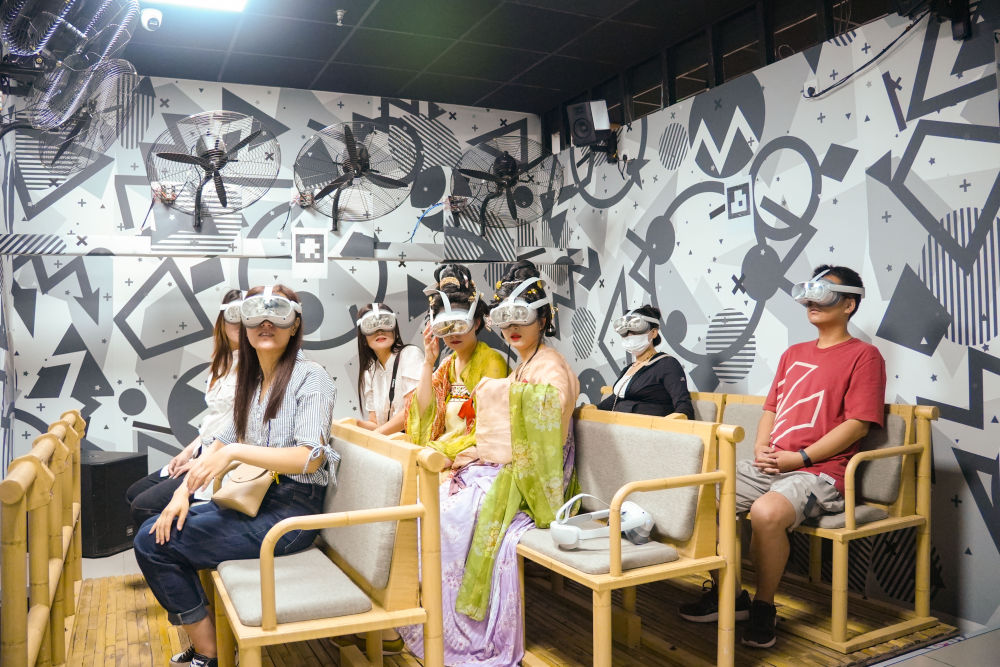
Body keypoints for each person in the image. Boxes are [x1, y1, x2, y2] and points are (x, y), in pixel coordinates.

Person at [679, 265, 886, 650]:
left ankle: (764, 606)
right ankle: (731, 596)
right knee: (701, 497)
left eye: (825, 293)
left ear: (849, 304)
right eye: (810, 293)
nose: (812, 301)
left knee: (766, 513)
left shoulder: (865, 356)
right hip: (774, 463)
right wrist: (762, 446)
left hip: (820, 472)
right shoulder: (794, 354)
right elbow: (771, 409)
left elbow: (857, 425)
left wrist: (801, 458)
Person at [133, 285, 337, 667]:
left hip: (290, 516)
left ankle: (210, 653)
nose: (265, 323)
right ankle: (211, 642)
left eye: (277, 314)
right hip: (255, 501)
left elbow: (309, 458)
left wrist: (234, 452)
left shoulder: (312, 377)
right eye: (255, 314)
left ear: (295, 325)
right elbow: (220, 441)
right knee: (153, 531)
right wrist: (181, 493)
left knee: (152, 543)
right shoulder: (254, 382)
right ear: (243, 324)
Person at [400, 260, 580, 666]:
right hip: (508, 461)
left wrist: (498, 395)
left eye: (522, 318)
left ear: (543, 319)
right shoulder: (524, 362)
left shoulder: (546, 363)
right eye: (506, 320)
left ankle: (458, 624)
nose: (512, 328)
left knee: (449, 512)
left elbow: (549, 418)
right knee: (432, 502)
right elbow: (434, 415)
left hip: (537, 474)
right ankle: (429, 611)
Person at [125, 289, 243, 527]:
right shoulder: (222, 363)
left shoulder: (257, 367)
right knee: (134, 493)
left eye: (247, 315)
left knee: (143, 506)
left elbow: (240, 429)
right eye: (233, 315)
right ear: (222, 320)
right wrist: (187, 452)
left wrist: (203, 463)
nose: (240, 322)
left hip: (224, 462)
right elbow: (216, 420)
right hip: (204, 450)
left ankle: (173, 545)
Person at [597, 305, 694, 418]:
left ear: (653, 333)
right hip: (619, 426)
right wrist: (593, 409)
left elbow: (683, 405)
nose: (629, 335)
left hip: (649, 427)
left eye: (635, 330)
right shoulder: (629, 369)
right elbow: (615, 399)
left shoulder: (666, 364)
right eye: (625, 332)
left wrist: (677, 417)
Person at [354, 302, 424, 434]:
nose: (379, 331)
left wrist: (376, 435)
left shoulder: (410, 354)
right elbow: (375, 423)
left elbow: (413, 409)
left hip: (414, 440)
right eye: (371, 326)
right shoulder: (370, 372)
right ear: (363, 338)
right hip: (389, 442)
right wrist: (354, 424)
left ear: (395, 330)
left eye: (386, 323)